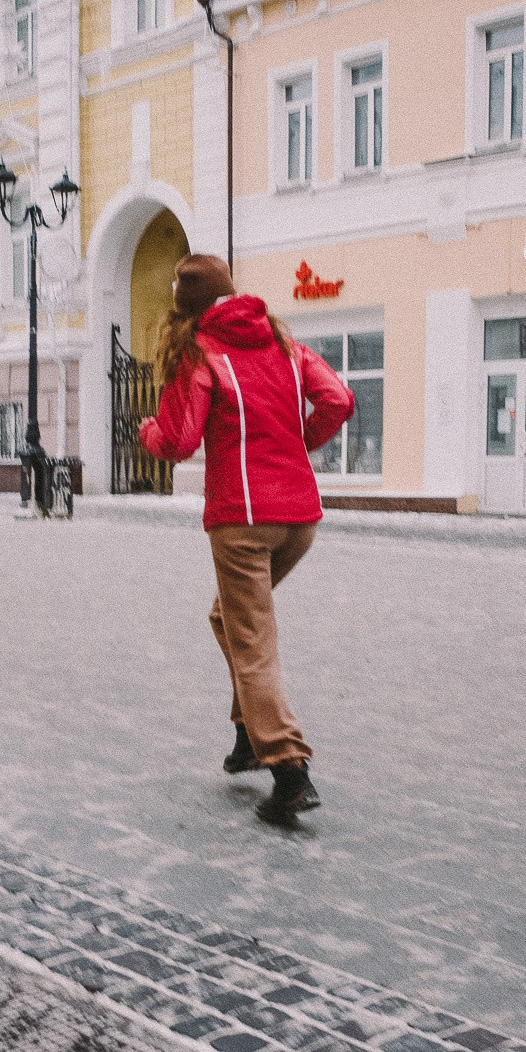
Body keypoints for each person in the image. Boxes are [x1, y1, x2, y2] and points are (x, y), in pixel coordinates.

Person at [137, 254, 354, 824]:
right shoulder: (282, 343)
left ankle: (288, 767)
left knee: (252, 643)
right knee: (226, 619)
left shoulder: (200, 353)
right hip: (300, 520)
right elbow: (338, 399)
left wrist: (148, 431)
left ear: (187, 305)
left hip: (243, 522)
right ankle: (245, 738)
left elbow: (181, 439)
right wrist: (296, 444)